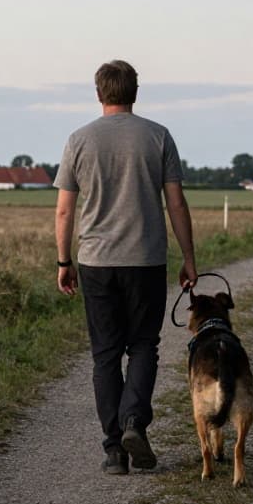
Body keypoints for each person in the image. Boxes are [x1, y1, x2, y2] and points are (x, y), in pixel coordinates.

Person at [54, 59, 198, 475]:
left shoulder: (78, 140)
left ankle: (114, 451)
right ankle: (134, 421)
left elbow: (65, 211)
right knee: (142, 346)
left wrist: (65, 261)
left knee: (105, 354)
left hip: (96, 261)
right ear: (135, 92)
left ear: (99, 93)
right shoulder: (158, 136)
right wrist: (189, 259)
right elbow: (176, 203)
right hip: (146, 261)